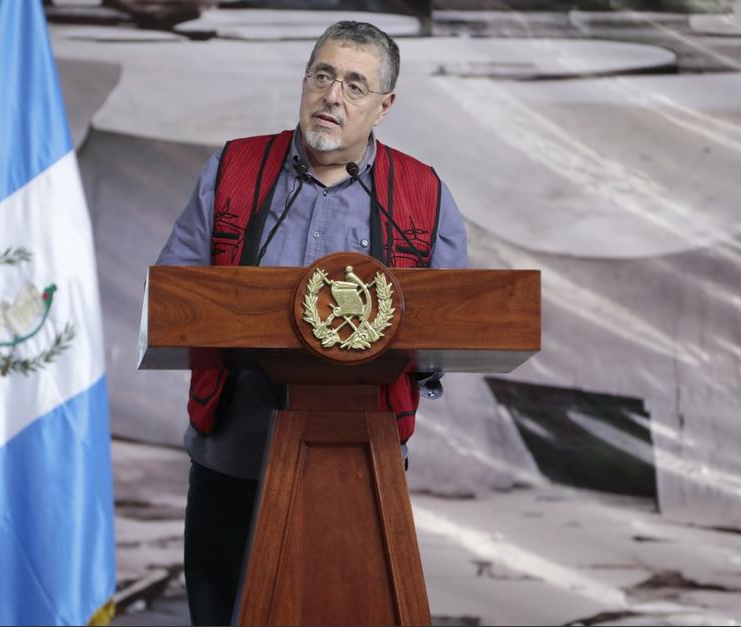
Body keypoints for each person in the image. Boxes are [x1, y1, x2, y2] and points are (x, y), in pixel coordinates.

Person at [153, 21, 468, 626]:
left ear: (384, 106)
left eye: (355, 85)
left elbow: (452, 323)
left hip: (360, 461)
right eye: (323, 75)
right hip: (232, 455)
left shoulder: (422, 192)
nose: (333, 97)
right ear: (304, 81)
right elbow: (176, 295)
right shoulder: (234, 167)